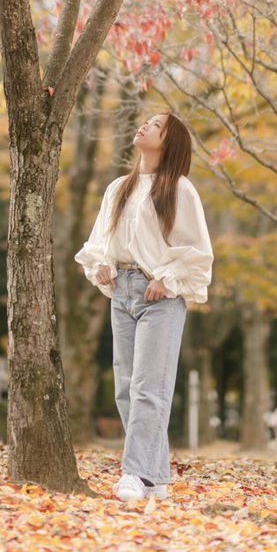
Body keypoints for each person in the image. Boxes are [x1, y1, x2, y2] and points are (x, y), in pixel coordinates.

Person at [75, 112, 213, 503]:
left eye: (155, 125)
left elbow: (198, 252)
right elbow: (100, 239)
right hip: (123, 291)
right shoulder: (119, 187)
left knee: (149, 389)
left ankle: (134, 474)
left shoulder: (180, 190)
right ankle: (157, 478)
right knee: (125, 389)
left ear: (169, 142)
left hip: (160, 298)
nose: (143, 126)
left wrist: (166, 278)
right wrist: (101, 264)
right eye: (146, 121)